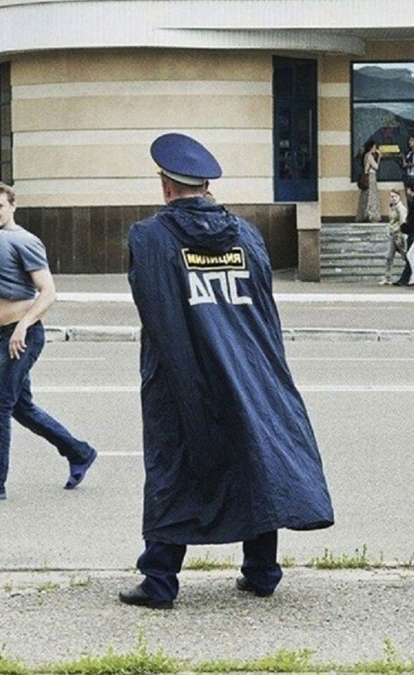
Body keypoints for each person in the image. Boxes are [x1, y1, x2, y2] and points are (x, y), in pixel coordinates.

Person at [119, 133, 334, 610]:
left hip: (183, 371)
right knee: (254, 455)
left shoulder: (149, 237)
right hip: (250, 366)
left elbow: (156, 310)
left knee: (175, 465)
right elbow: (263, 307)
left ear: (166, 186)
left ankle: (159, 580)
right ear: (206, 186)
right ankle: (262, 571)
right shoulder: (247, 234)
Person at [0, 182, 97, 502]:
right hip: (1, 336)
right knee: (20, 407)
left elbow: (48, 292)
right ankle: (79, 452)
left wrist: (23, 326)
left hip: (21, 336)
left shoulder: (26, 241)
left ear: (13, 206)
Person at [380, 189, 407, 285]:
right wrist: (389, 230)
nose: (394, 198)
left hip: (398, 235)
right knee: (389, 257)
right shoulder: (392, 207)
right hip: (393, 235)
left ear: (399, 197)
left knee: (406, 256)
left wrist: (401, 235)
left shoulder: (401, 208)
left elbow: (402, 222)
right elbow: (391, 222)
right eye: (392, 196)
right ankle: (387, 278)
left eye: (395, 196)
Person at [355, 140, 382, 223]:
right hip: (371, 176)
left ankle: (364, 214)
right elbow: (376, 167)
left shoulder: (366, 155)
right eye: (374, 147)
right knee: (372, 196)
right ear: (371, 147)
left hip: (366, 176)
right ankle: (371, 215)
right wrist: (379, 157)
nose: (375, 149)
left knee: (365, 196)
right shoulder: (370, 156)